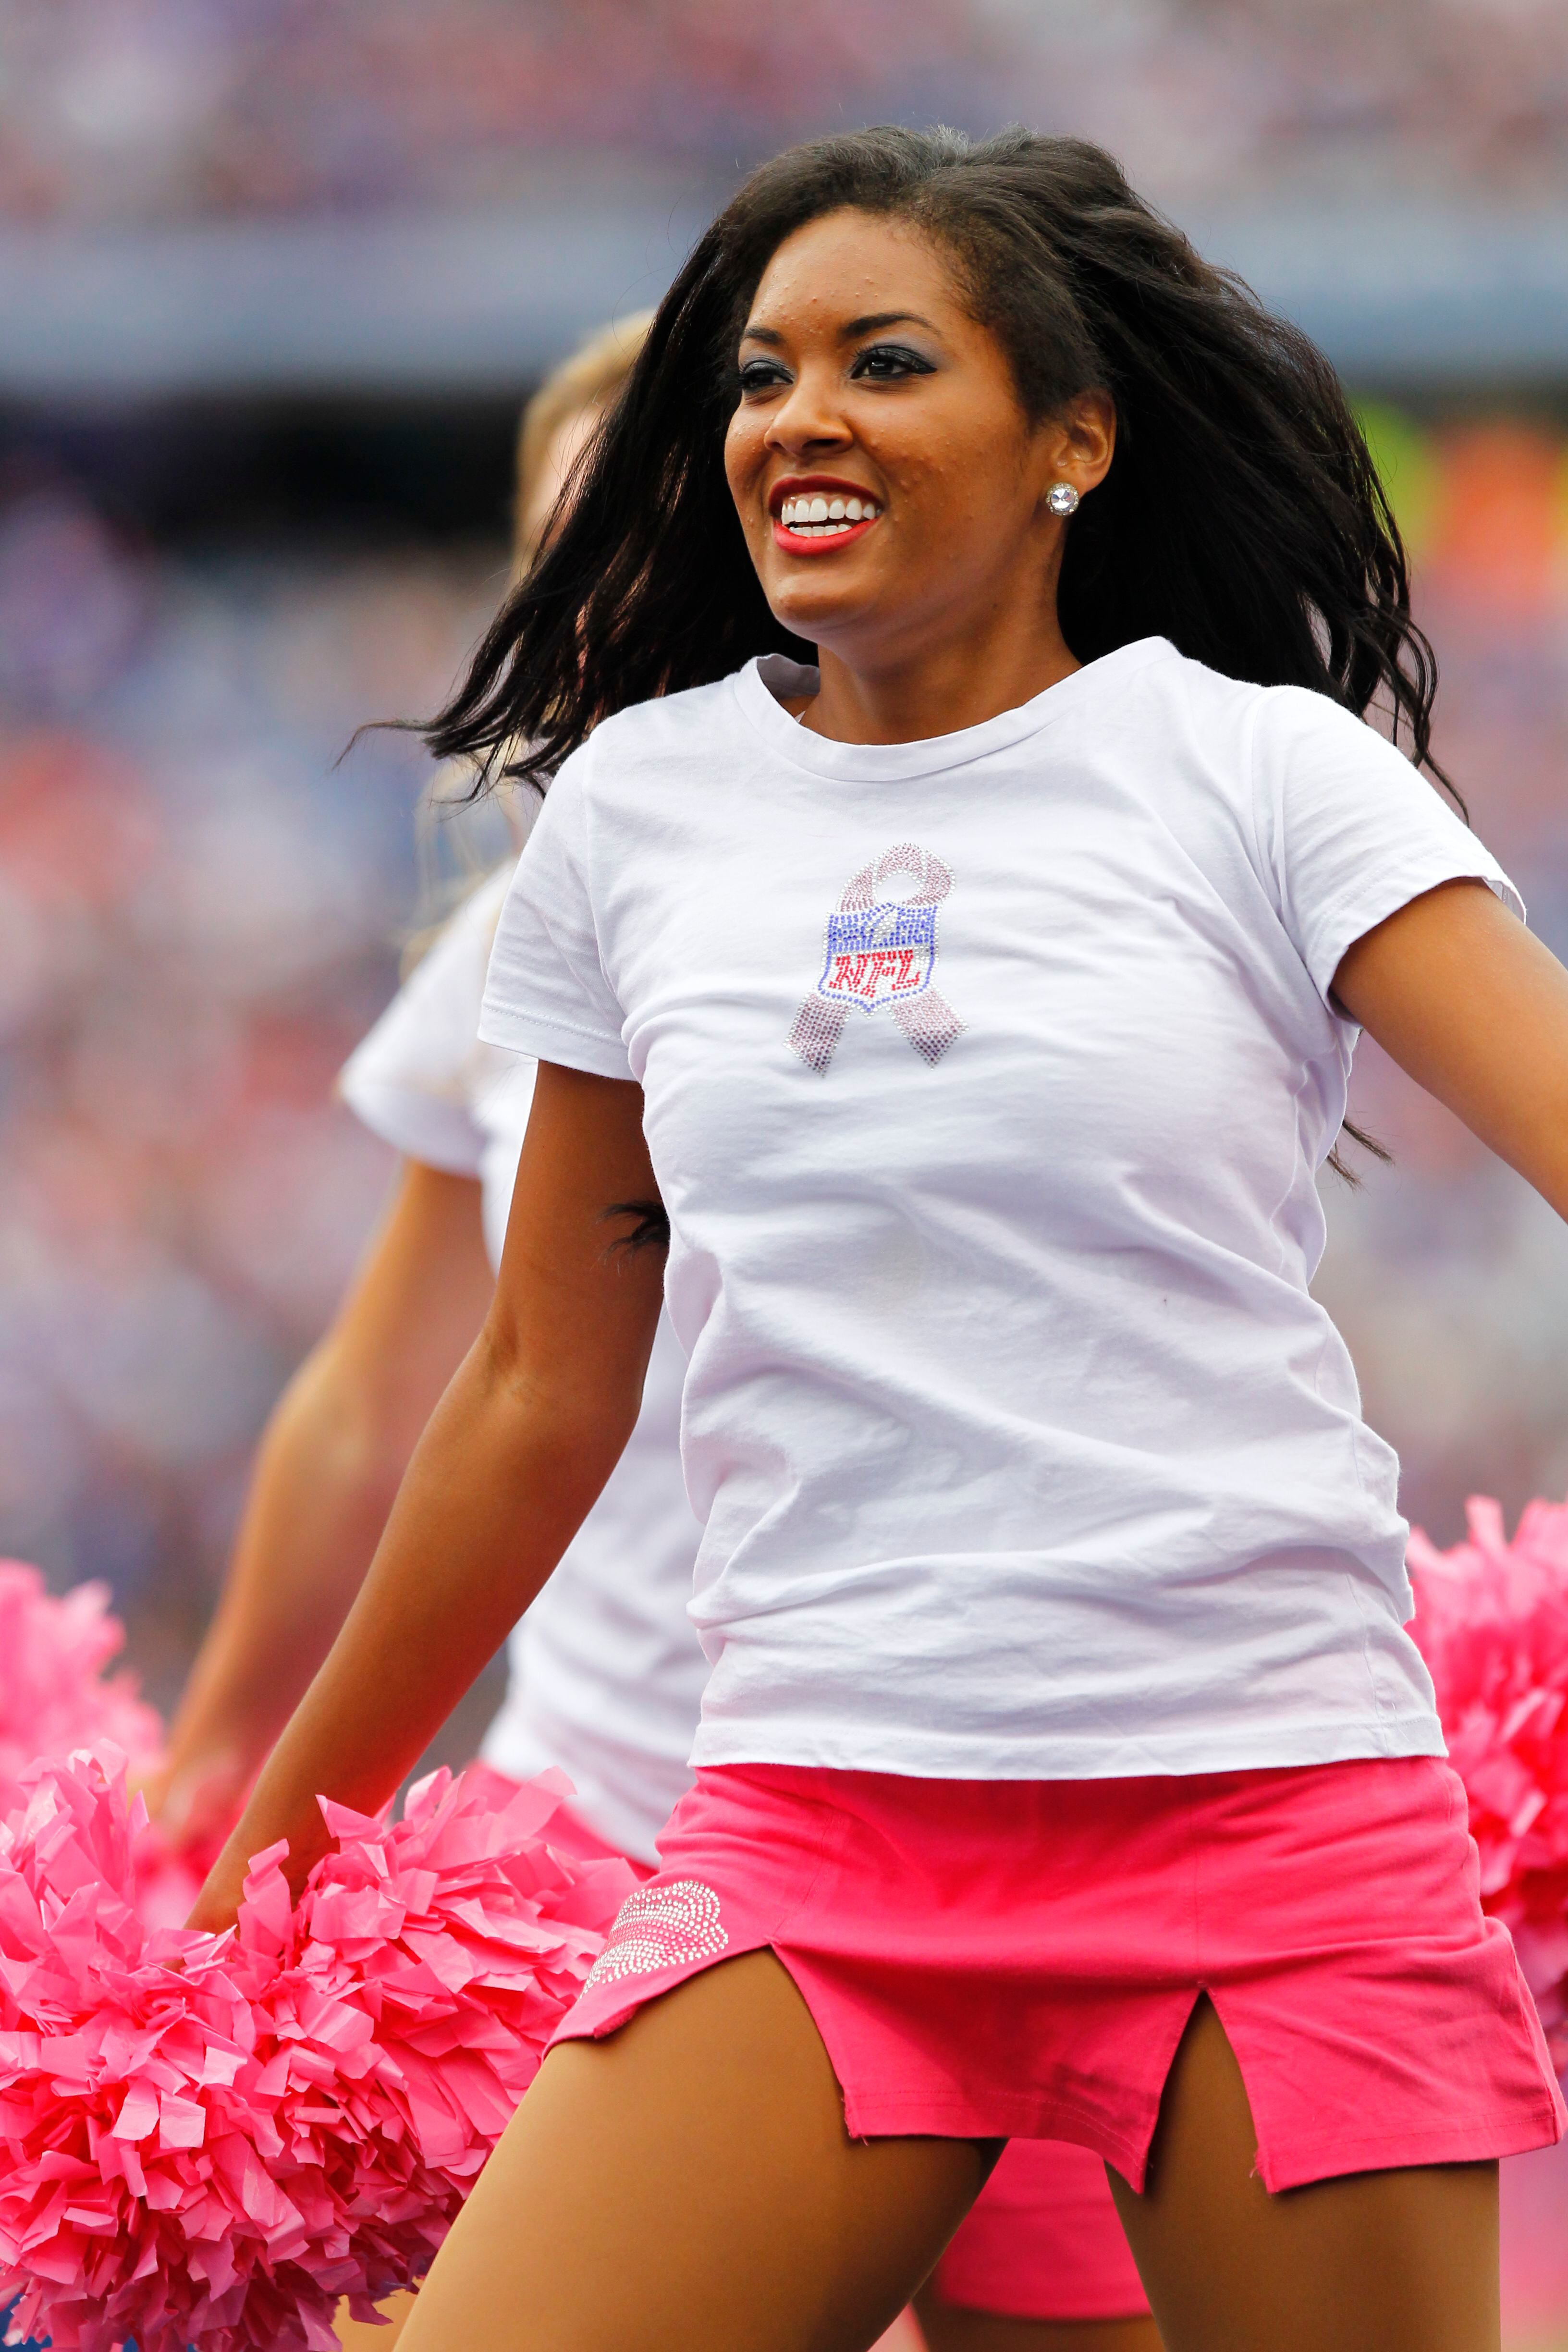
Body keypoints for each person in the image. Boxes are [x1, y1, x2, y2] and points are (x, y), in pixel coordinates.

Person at [191, 125, 1568, 2352]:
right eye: (758, 374)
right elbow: (538, 1387)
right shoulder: (641, 814)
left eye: (884, 361)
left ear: (1076, 439)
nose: (796, 418)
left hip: (1269, 1824)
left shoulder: (1261, 776)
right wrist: (284, 1838)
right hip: (825, 1837)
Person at [160, 303, 1158, 2352]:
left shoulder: (1009, 890)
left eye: (647, 545)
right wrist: (206, 1783)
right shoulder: (536, 939)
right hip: (601, 1826)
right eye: (559, 556)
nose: (604, 606)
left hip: (966, 1814)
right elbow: (378, 1407)